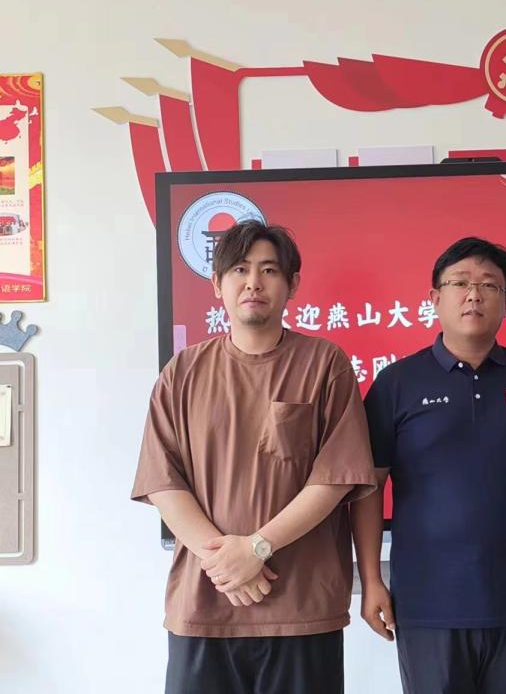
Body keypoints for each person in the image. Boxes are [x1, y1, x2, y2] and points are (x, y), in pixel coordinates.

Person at [131, 221, 377, 694]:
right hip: (204, 604)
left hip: (302, 608)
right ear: (216, 283)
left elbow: (335, 478)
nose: (253, 283)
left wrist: (257, 548)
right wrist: (227, 564)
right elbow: (163, 480)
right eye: (240, 270)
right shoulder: (183, 372)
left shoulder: (326, 364)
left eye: (269, 270)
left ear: (292, 285)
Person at [351, 236, 506, 694]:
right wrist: (371, 579)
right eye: (460, 283)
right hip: (428, 605)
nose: (474, 295)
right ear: (435, 298)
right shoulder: (397, 383)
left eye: (489, 285)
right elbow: (369, 485)